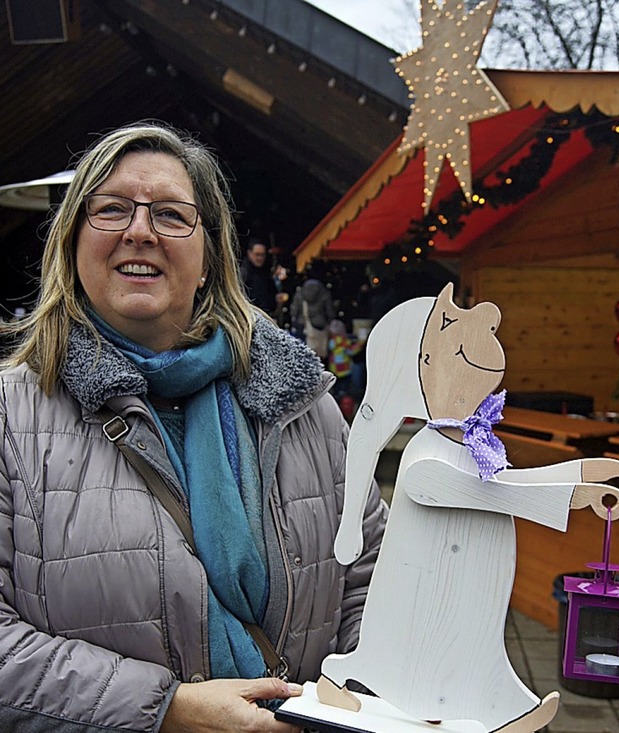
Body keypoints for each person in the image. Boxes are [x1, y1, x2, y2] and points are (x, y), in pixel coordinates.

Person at [0, 122, 387, 732]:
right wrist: (166, 711)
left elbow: (373, 578)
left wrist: (353, 702)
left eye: (172, 216)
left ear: (209, 256)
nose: (140, 231)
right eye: (112, 209)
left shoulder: (303, 405)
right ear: (72, 244)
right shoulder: (10, 413)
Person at [289, 276, 335, 359]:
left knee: (301, 353)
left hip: (302, 325)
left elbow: (293, 311)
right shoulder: (324, 294)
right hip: (319, 325)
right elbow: (330, 312)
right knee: (319, 353)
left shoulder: (299, 295)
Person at [239, 239, 286, 316]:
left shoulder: (265, 271)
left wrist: (275, 298)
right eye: (257, 254)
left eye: (263, 255)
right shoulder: (243, 273)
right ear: (249, 253)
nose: (260, 258)